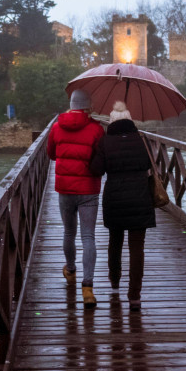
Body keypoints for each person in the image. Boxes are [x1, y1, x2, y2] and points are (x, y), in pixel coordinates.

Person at [89, 101, 154, 311]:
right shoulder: (142, 140)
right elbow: (149, 165)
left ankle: (114, 279)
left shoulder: (105, 141)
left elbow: (97, 169)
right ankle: (134, 295)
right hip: (140, 196)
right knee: (137, 247)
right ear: (130, 120)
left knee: (115, 241)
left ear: (112, 121)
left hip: (114, 196)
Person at [46, 89, 105, 309]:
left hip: (65, 189)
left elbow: (51, 154)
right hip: (89, 189)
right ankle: (88, 288)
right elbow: (100, 156)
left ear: (71, 105)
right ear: (88, 106)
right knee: (88, 236)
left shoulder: (56, 127)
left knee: (69, 232)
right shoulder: (96, 129)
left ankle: (70, 269)